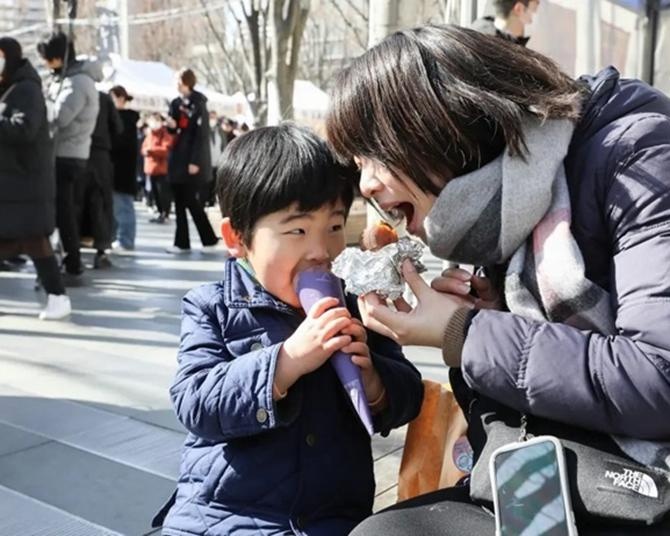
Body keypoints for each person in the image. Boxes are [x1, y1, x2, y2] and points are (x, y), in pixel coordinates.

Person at [325, 24, 670, 534]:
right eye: (358, 164)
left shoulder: (638, 155)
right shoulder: (495, 207)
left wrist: (465, 332)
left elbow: (659, 378)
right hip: (546, 483)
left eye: (375, 155)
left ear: (435, 123)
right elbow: (517, 402)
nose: (367, 184)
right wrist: (491, 319)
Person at [158, 124, 424, 535]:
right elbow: (196, 403)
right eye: (297, 231)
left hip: (331, 518)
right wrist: (287, 360)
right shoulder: (211, 307)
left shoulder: (358, 305)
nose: (321, 251)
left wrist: (373, 381)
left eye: (335, 227)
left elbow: (408, 395)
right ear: (237, 237)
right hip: (224, 516)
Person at [0, 37, 71, 319]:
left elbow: (25, 128)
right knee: (29, 240)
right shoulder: (12, 88)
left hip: (24, 183)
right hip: (15, 184)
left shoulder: (26, 89)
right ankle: (57, 296)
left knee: (34, 240)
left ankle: (58, 296)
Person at [38, 31, 99, 284]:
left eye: (46, 58)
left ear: (56, 57)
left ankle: (72, 261)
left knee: (64, 212)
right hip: (69, 153)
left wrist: (43, 102)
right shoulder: (72, 78)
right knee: (65, 211)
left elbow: (60, 117)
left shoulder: (77, 82)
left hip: (67, 155)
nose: (45, 63)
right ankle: (70, 259)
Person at [165, 68, 218, 254]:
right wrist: (171, 126)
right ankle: (182, 243)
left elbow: (201, 135)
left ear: (185, 81)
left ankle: (209, 239)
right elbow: (173, 128)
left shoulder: (199, 103)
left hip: (191, 161)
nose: (175, 83)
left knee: (191, 201)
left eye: (177, 79)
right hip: (177, 158)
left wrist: (196, 161)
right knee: (179, 201)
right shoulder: (175, 103)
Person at [83, 89, 123, 268]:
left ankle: (72, 250)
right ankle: (101, 249)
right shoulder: (104, 98)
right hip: (100, 155)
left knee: (73, 202)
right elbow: (118, 127)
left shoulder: (70, 90)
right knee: (100, 202)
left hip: (75, 153)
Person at [110, 85, 139, 251]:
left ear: (121, 98)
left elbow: (122, 144)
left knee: (123, 207)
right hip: (119, 169)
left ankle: (125, 240)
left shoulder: (125, 118)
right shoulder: (125, 118)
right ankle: (119, 238)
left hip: (122, 169)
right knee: (118, 207)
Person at [141, 113, 173, 223]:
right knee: (155, 193)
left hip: (162, 169)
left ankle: (166, 213)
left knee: (163, 193)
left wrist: (151, 150)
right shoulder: (150, 134)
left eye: (156, 120)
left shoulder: (165, 133)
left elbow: (165, 149)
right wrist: (147, 150)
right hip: (150, 169)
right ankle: (160, 213)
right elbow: (144, 148)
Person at [472, 0, 539, 45]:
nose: (531, 20)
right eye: (534, 10)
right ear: (519, 9)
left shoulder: (477, 33)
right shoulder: (488, 44)